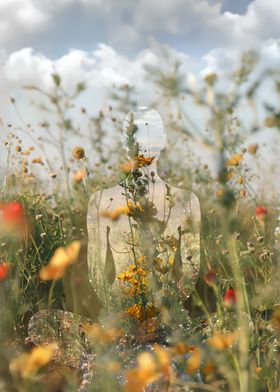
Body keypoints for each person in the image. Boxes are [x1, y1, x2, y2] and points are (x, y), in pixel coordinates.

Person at [87, 108, 201, 304]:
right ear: (126, 143)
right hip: (121, 316)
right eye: (138, 138)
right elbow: (97, 275)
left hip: (168, 314)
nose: (144, 146)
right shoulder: (101, 200)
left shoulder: (187, 199)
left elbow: (191, 272)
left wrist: (163, 311)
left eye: (152, 136)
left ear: (163, 140)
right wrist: (123, 314)